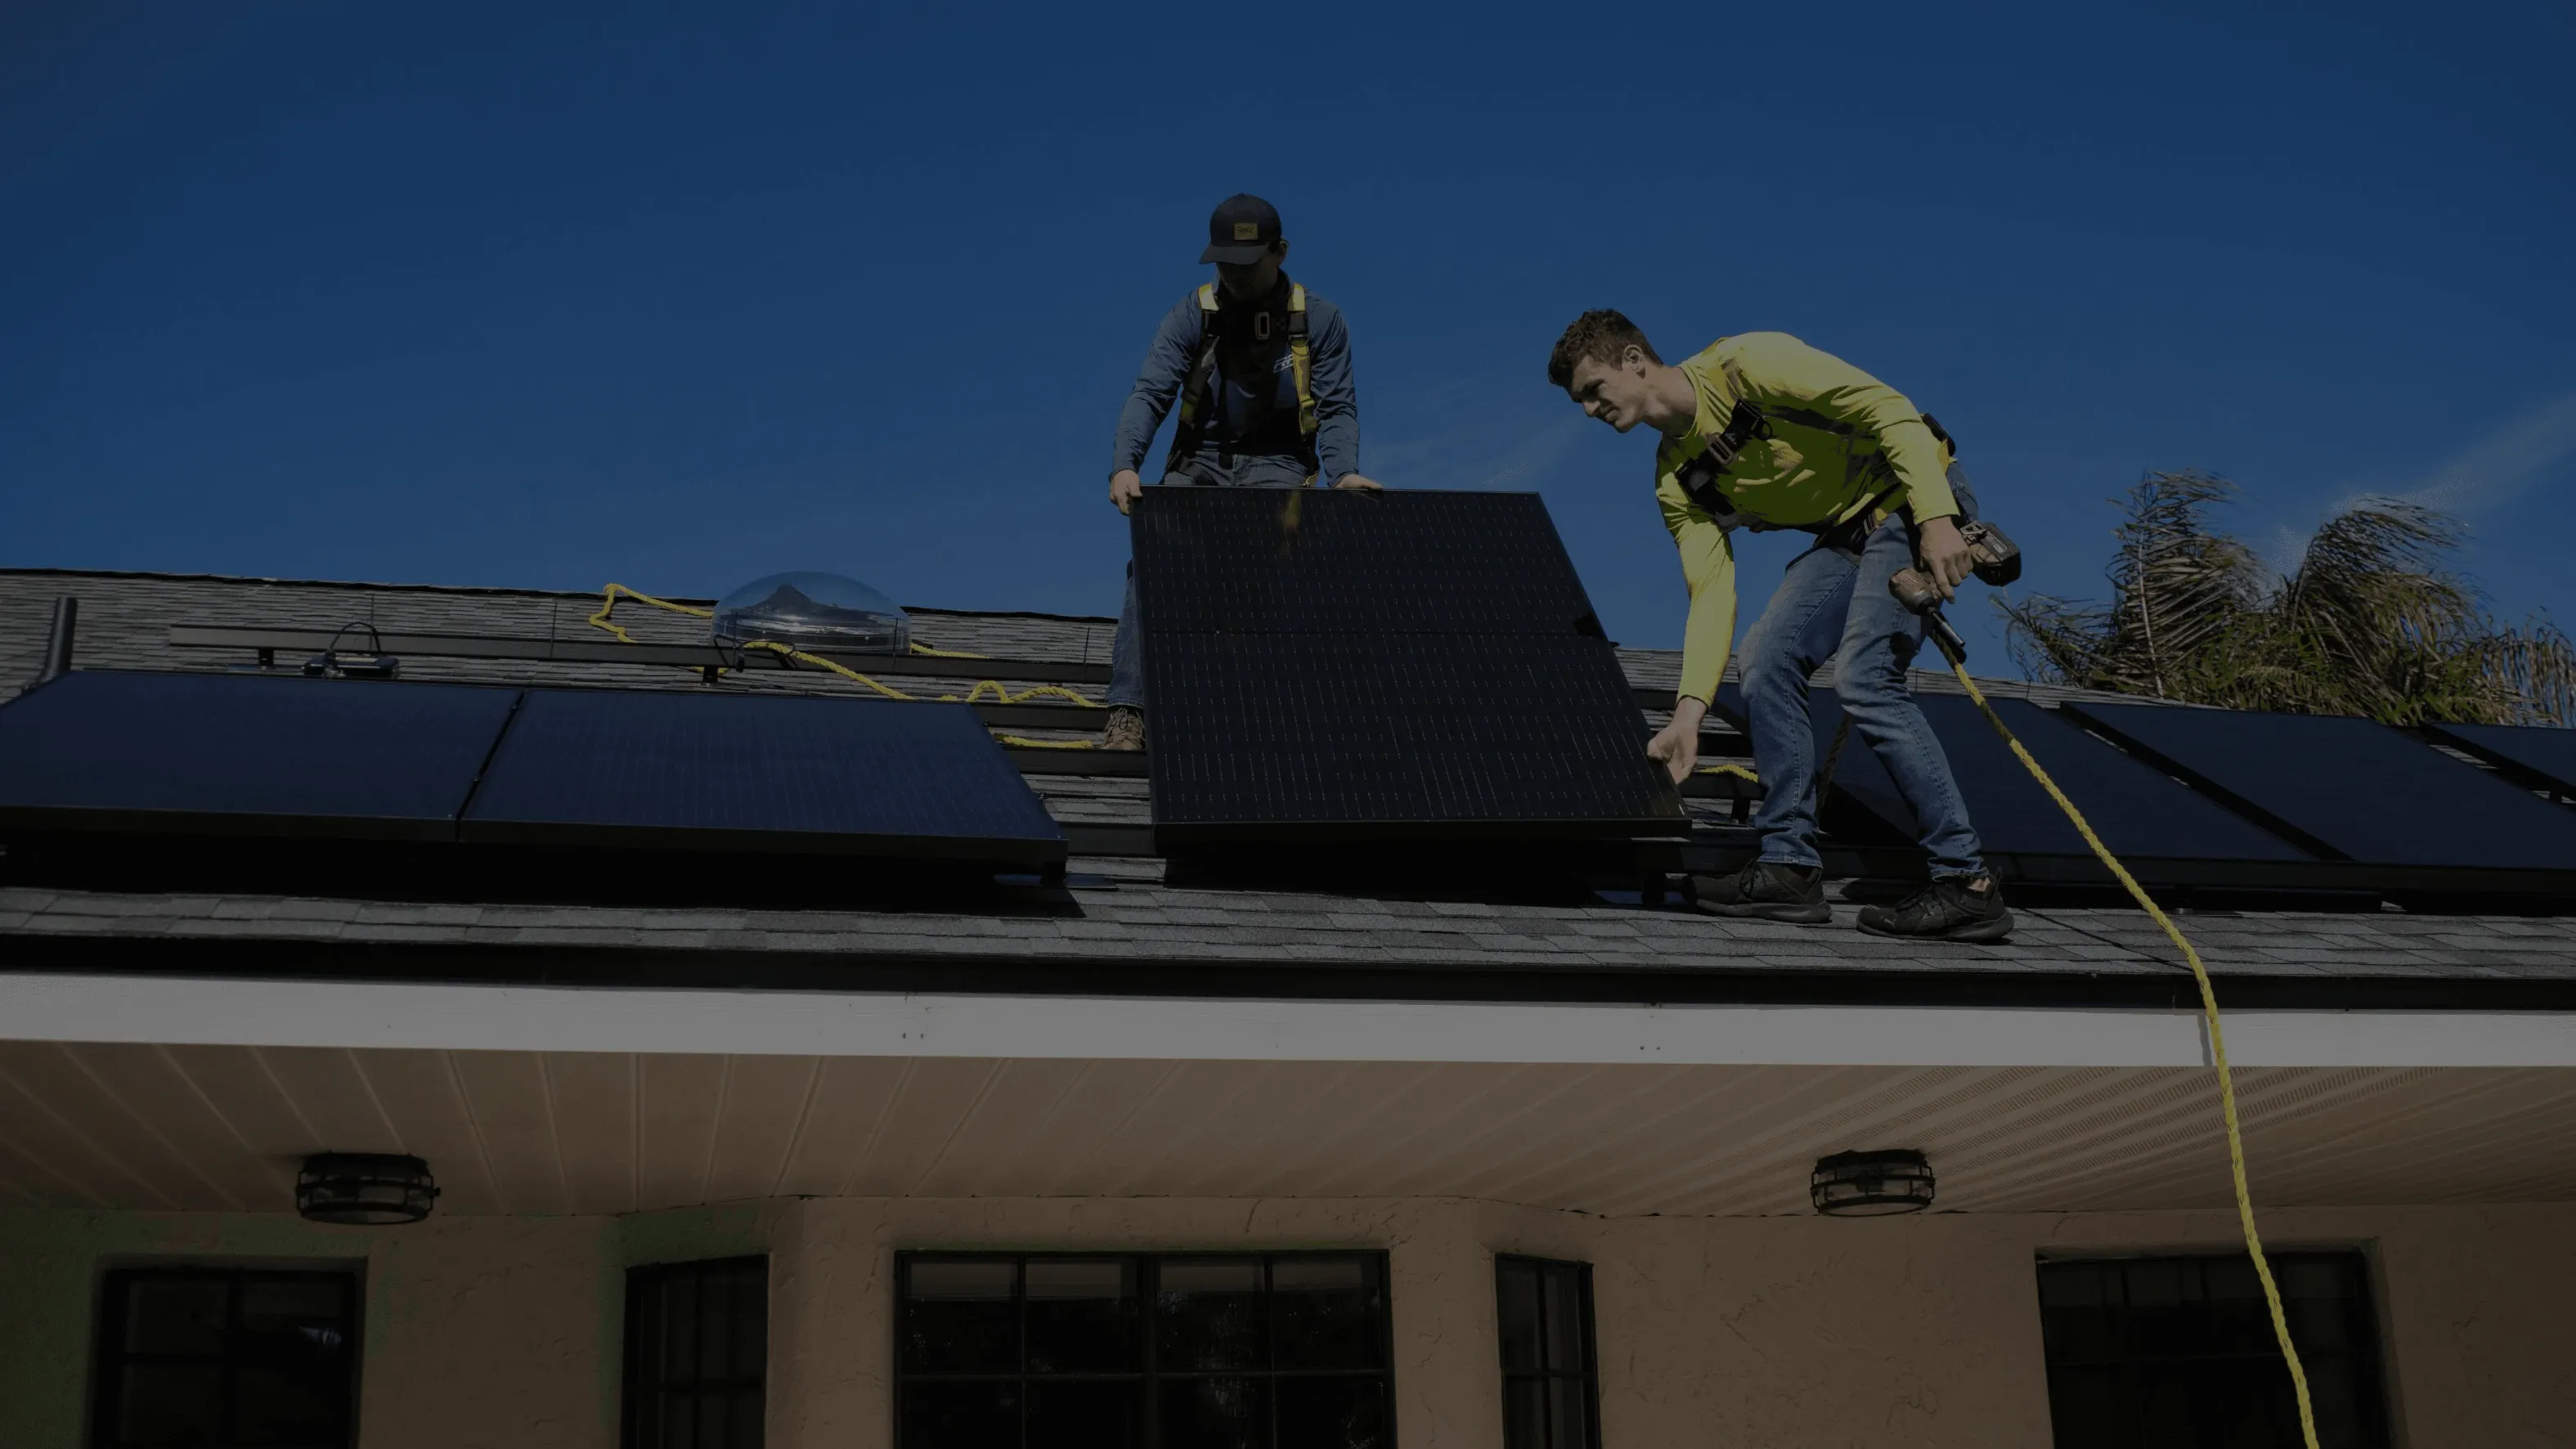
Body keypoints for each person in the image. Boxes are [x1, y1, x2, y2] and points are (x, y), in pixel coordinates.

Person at [1547, 310, 2012, 941]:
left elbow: (1892, 411)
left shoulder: (1745, 366)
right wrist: (1688, 715)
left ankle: (1966, 881)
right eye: (1579, 401)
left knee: (1865, 679)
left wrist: (1936, 520)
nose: (1588, 410)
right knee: (1764, 660)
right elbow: (1711, 593)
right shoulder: (1678, 481)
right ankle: (1789, 866)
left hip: (1909, 496)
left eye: (1593, 390)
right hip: (1846, 536)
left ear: (1633, 360)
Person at [1100, 194, 1380, 749]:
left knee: (1270, 558)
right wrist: (1124, 465)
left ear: (1280, 252)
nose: (1233, 274)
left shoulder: (1318, 320)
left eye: (1246, 264)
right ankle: (1129, 710)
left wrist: (1343, 473)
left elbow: (1337, 406)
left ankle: (1265, 709)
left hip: (1278, 462)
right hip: (1199, 460)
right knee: (1153, 559)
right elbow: (1151, 392)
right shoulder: (1192, 314)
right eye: (1224, 262)